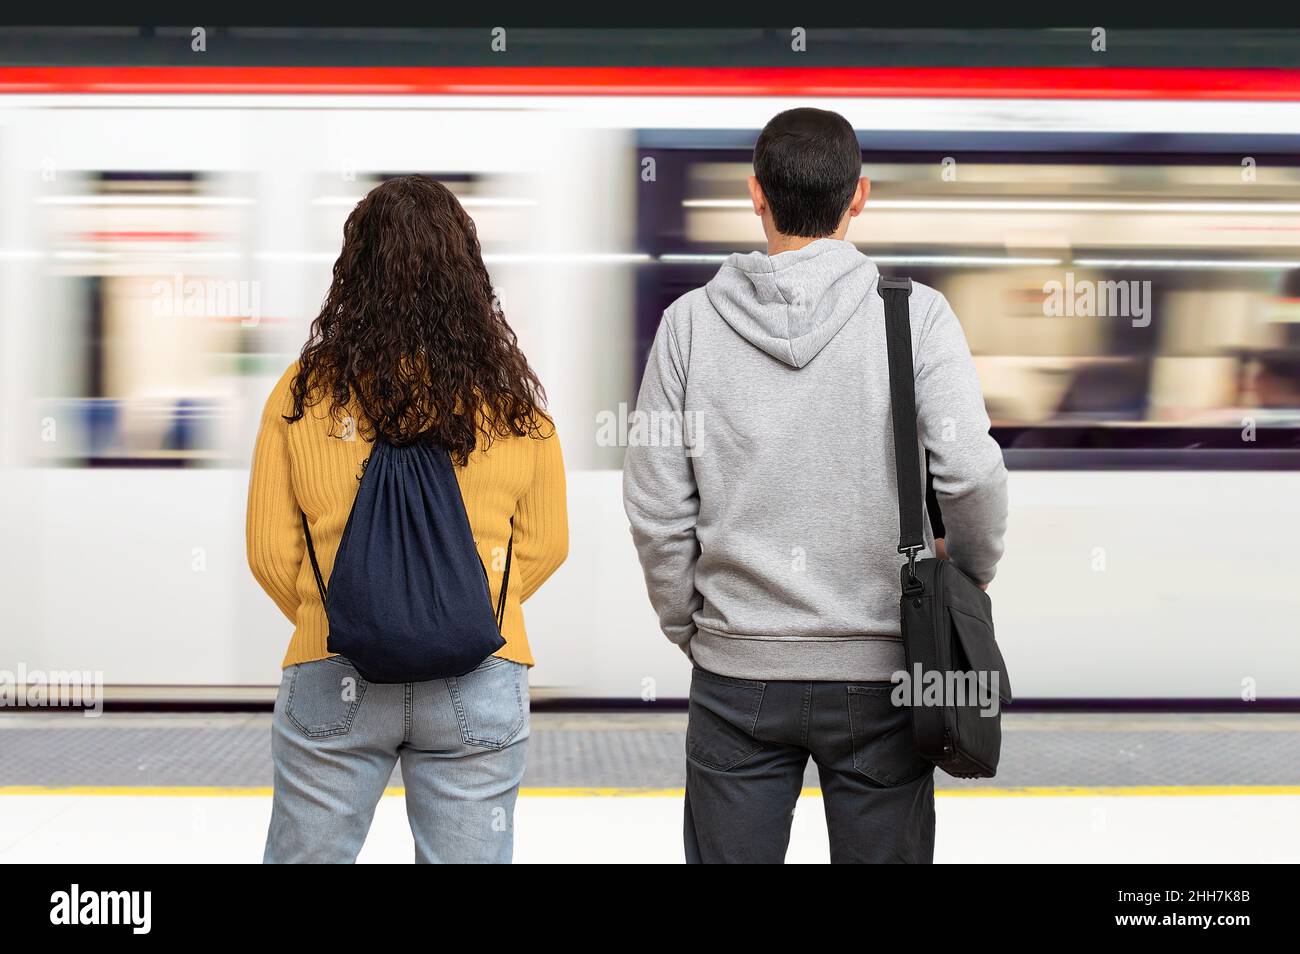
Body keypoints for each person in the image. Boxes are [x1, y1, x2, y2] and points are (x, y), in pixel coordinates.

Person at [622, 107, 1007, 863]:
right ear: (858, 197)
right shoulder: (918, 318)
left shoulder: (687, 325)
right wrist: (957, 588)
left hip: (737, 677)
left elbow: (655, 507)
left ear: (754, 195)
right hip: (886, 674)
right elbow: (971, 476)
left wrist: (693, 628)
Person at [247, 175, 568, 863]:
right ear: (468, 272)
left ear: (352, 271)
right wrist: (453, 609)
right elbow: (546, 545)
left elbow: (270, 554)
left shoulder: (301, 393)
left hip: (333, 667)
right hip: (479, 670)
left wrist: (354, 611)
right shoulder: (514, 403)